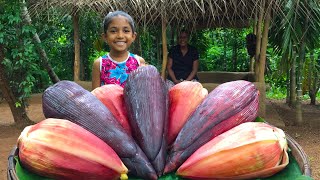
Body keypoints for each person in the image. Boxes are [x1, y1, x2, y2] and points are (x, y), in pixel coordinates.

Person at [92, 11, 146, 90]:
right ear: (105, 37)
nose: (120, 36)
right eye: (113, 31)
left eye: (126, 31)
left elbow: (144, 92)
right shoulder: (99, 64)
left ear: (133, 36)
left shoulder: (138, 62)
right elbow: (94, 97)